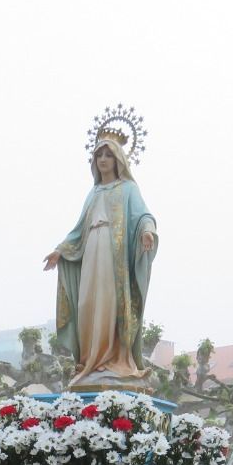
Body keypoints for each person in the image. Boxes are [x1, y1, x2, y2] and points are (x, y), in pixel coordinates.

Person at [44, 128, 158, 387]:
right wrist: (61, 250)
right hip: (91, 252)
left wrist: (147, 232)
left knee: (109, 303)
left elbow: (143, 216)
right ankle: (91, 361)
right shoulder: (93, 193)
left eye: (108, 155)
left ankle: (113, 360)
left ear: (118, 159)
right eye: (99, 155)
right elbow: (78, 230)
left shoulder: (128, 188)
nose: (103, 160)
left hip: (112, 255)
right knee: (87, 304)